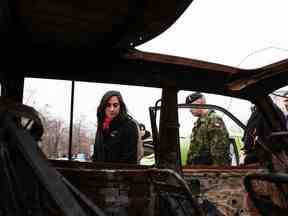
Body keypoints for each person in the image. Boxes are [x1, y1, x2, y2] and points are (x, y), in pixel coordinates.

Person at [92, 90, 140, 164]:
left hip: (120, 173)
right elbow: (96, 155)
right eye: (108, 105)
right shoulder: (101, 126)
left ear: (120, 106)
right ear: (103, 107)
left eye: (115, 105)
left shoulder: (129, 126)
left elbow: (130, 159)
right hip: (100, 173)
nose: (112, 109)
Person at [185, 92, 231, 165]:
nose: (189, 110)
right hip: (198, 171)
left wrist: (216, 173)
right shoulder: (199, 123)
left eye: (191, 106)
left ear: (200, 103)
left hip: (208, 172)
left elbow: (219, 153)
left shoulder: (214, 120)